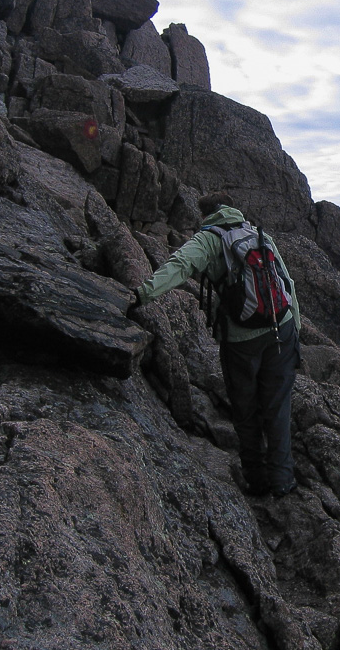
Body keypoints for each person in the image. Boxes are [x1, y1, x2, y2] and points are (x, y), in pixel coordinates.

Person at [131, 192, 301, 498]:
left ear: (206, 214)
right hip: (281, 330)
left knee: (246, 410)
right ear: (234, 208)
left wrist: (141, 295)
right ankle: (283, 482)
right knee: (278, 409)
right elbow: (287, 284)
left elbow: (180, 265)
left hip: (240, 341)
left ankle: (257, 481)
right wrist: (295, 333)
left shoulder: (208, 239)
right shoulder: (259, 235)